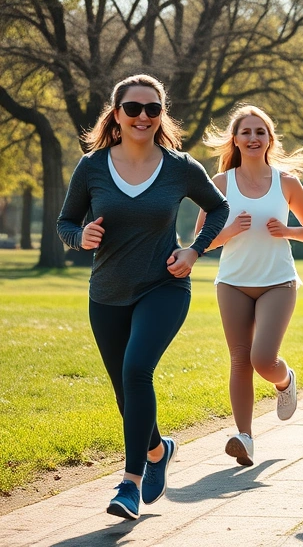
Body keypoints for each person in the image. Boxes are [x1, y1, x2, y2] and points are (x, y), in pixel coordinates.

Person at [56, 74, 229, 520]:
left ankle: (129, 484)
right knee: (125, 391)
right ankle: (157, 450)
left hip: (163, 286)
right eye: (133, 108)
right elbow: (66, 222)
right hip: (107, 293)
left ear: (161, 115)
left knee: (136, 371)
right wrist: (80, 237)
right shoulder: (92, 167)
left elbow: (219, 207)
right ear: (117, 115)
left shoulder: (180, 167)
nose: (143, 116)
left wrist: (194, 251)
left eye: (153, 109)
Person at [194, 105, 303, 466]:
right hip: (232, 282)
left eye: (260, 132)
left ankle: (284, 380)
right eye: (246, 132)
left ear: (270, 140)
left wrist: (288, 231)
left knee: (262, 359)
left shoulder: (286, 183)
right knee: (239, 359)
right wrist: (229, 230)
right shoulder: (220, 184)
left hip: (277, 282)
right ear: (235, 140)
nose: (253, 138)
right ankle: (245, 437)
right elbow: (200, 239)